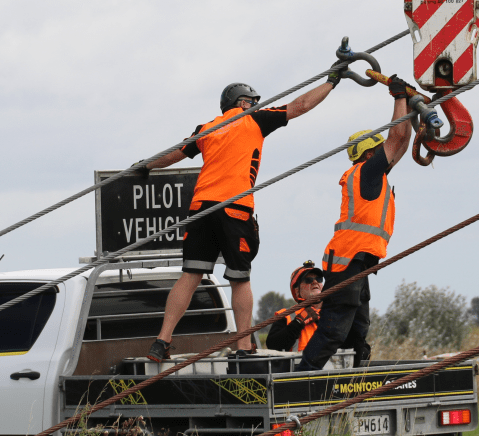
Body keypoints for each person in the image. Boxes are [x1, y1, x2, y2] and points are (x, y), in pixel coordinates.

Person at [140, 64, 345, 362]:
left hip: (200, 209)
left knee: (190, 276)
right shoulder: (254, 119)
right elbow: (300, 105)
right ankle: (243, 347)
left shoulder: (207, 128)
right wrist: (332, 81)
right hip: (234, 208)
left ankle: (161, 341)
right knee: (240, 278)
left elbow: (175, 153)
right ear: (243, 102)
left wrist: (146, 166)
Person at [298, 75, 414, 371]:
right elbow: (397, 139)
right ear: (370, 152)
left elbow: (402, 141)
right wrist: (398, 97)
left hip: (358, 264)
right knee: (334, 331)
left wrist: (409, 106)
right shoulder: (367, 171)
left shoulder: (373, 175)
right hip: (347, 263)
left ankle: (355, 387)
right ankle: (297, 385)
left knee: (357, 333)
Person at [265, 261, 324, 352]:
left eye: (319, 279)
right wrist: (297, 323)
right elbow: (272, 345)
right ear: (297, 291)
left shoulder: (334, 312)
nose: (315, 282)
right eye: (308, 280)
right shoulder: (286, 316)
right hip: (299, 365)